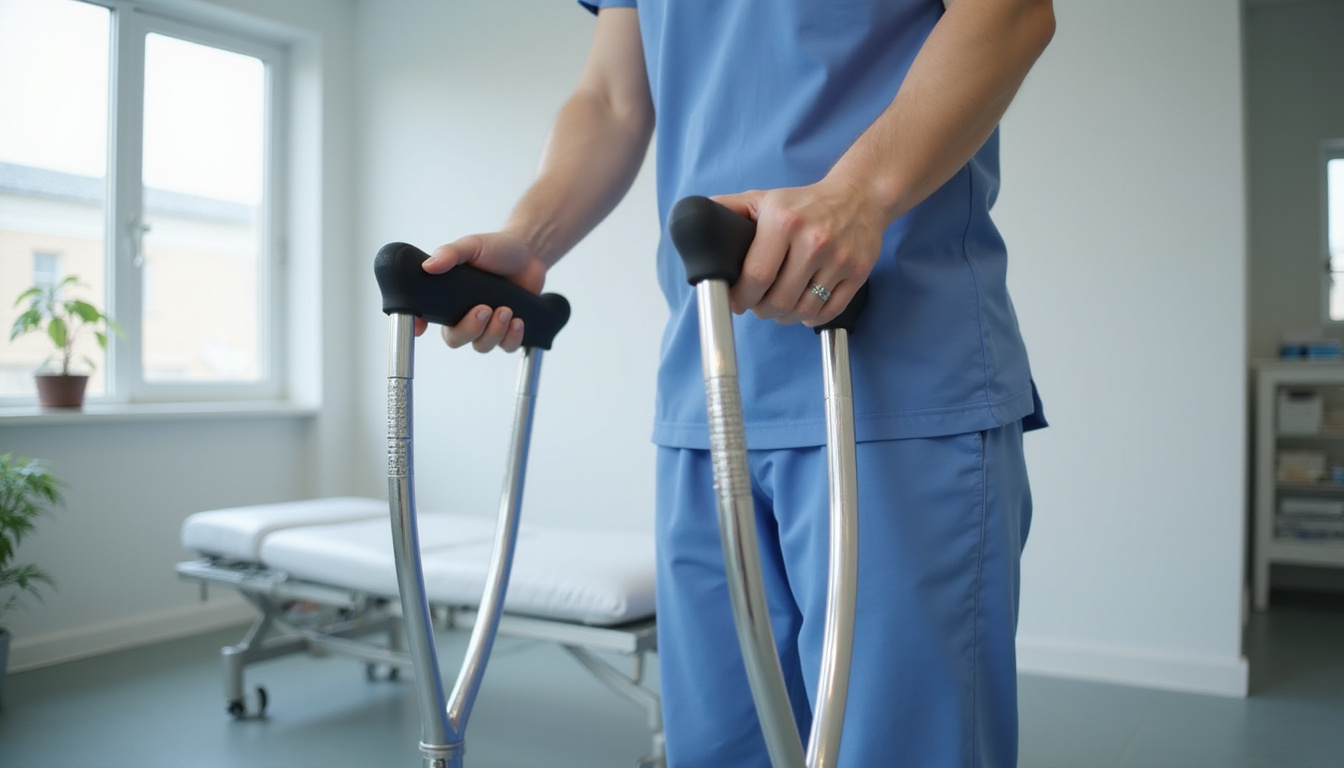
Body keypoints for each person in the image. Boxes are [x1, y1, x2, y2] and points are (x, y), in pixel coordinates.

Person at [418, 1, 1054, 765]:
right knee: (720, 747)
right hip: (708, 387)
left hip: (890, 375)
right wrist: (530, 237)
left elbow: (1009, 12)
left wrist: (861, 192)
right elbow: (613, 99)